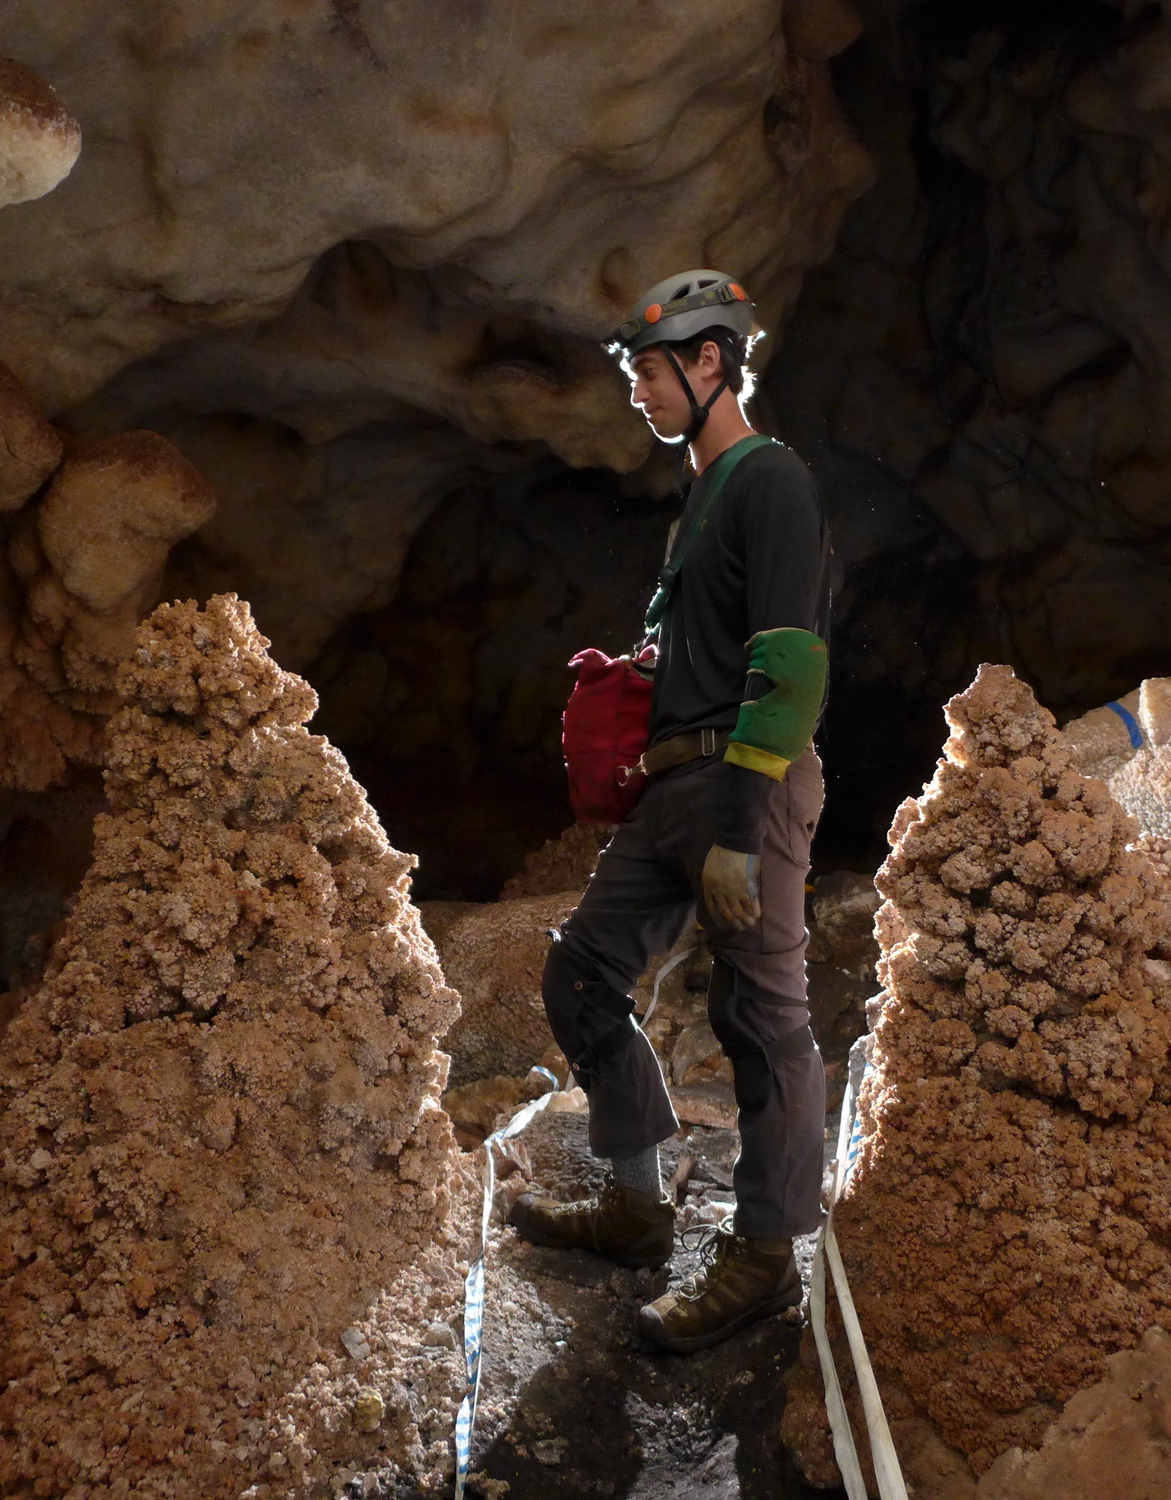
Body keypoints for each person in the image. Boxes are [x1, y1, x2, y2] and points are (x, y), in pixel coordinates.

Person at [508, 269, 834, 1353]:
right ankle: (639, 1211)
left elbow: (786, 666)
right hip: (674, 786)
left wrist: (742, 829)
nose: (637, 394)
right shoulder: (700, 499)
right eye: (634, 375)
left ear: (709, 363)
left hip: (744, 784)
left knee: (761, 1021)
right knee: (582, 972)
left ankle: (761, 1262)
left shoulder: (766, 479)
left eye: (649, 372)